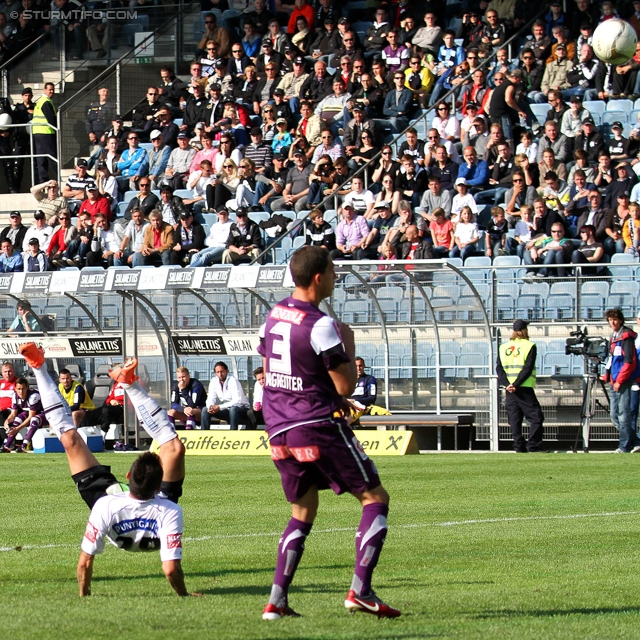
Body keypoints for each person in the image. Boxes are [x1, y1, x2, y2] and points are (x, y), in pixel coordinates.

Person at [258, 245, 400, 620]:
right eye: (334, 272)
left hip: (277, 427)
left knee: (302, 510)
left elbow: (273, 365)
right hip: (316, 424)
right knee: (374, 497)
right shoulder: (321, 325)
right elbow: (345, 386)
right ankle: (361, 591)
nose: (336, 277)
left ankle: (276, 600)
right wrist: (348, 341)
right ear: (319, 278)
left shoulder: (273, 314)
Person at [17, 344, 195, 596]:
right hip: (151, 510)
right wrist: (184, 595)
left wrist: (84, 595)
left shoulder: (104, 506)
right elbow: (170, 569)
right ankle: (129, 382)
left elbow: (85, 562)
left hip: (109, 501)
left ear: (127, 477)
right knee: (175, 448)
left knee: (68, 440)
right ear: (158, 487)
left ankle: (38, 368)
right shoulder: (169, 508)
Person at [496, 319, 545, 453]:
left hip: (509, 389)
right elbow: (527, 368)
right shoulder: (529, 345)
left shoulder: (503, 347)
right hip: (523, 388)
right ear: (525, 330)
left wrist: (507, 384)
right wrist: (516, 384)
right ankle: (533, 446)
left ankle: (519, 446)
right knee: (536, 417)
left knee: (514, 419)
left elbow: (499, 369)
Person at [603, 309, 640, 454]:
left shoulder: (626, 337)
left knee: (624, 414)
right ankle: (635, 441)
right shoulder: (614, 337)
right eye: (610, 320)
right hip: (614, 380)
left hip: (622, 381)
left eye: (615, 319)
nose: (612, 322)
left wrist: (620, 379)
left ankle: (624, 446)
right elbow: (612, 359)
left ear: (621, 320)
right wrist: (607, 375)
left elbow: (629, 361)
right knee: (614, 415)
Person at [1, 377, 47, 453]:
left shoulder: (33, 396)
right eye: (19, 389)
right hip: (29, 413)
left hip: (43, 413)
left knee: (34, 420)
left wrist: (17, 428)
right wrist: (7, 421)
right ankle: (7, 446)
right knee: (17, 419)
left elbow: (31, 416)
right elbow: (13, 414)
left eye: (23, 388)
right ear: (15, 389)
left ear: (27, 388)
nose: (21, 391)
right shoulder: (15, 396)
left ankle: (24, 446)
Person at [201, 361, 250, 430]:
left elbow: (237, 401)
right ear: (215, 373)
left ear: (227, 371)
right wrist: (210, 407)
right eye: (218, 372)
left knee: (233, 409)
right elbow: (211, 398)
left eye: (222, 371)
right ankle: (203, 435)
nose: (220, 374)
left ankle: (233, 435)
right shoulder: (213, 381)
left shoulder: (233, 380)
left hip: (241, 409)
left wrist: (219, 407)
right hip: (226, 410)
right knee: (205, 410)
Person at [168, 366, 207, 430]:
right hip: (186, 411)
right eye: (179, 377)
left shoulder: (196, 384)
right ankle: (170, 432)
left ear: (188, 376)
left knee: (191, 411)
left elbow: (193, 405)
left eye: (183, 377)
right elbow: (173, 404)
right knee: (170, 412)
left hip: (200, 412)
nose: (181, 380)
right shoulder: (176, 386)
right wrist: (183, 409)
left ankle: (189, 430)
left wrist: (183, 390)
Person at [33, 82, 57, 183]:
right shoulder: (46, 102)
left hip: (37, 133)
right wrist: (56, 129)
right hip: (46, 132)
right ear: (44, 90)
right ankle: (59, 176)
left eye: (53, 90)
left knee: (41, 159)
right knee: (53, 158)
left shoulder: (39, 101)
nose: (51, 92)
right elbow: (51, 119)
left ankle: (43, 181)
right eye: (49, 90)